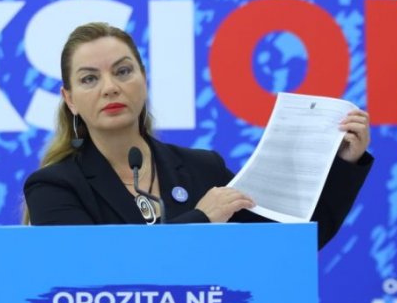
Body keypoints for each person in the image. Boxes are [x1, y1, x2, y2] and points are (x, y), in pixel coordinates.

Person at [24, 22, 373, 249]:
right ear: (70, 99)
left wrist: (345, 164)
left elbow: (287, 247)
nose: (110, 87)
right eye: (89, 79)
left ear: (143, 79)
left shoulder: (202, 169)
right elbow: (92, 271)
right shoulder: (53, 187)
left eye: (123, 71)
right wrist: (202, 219)